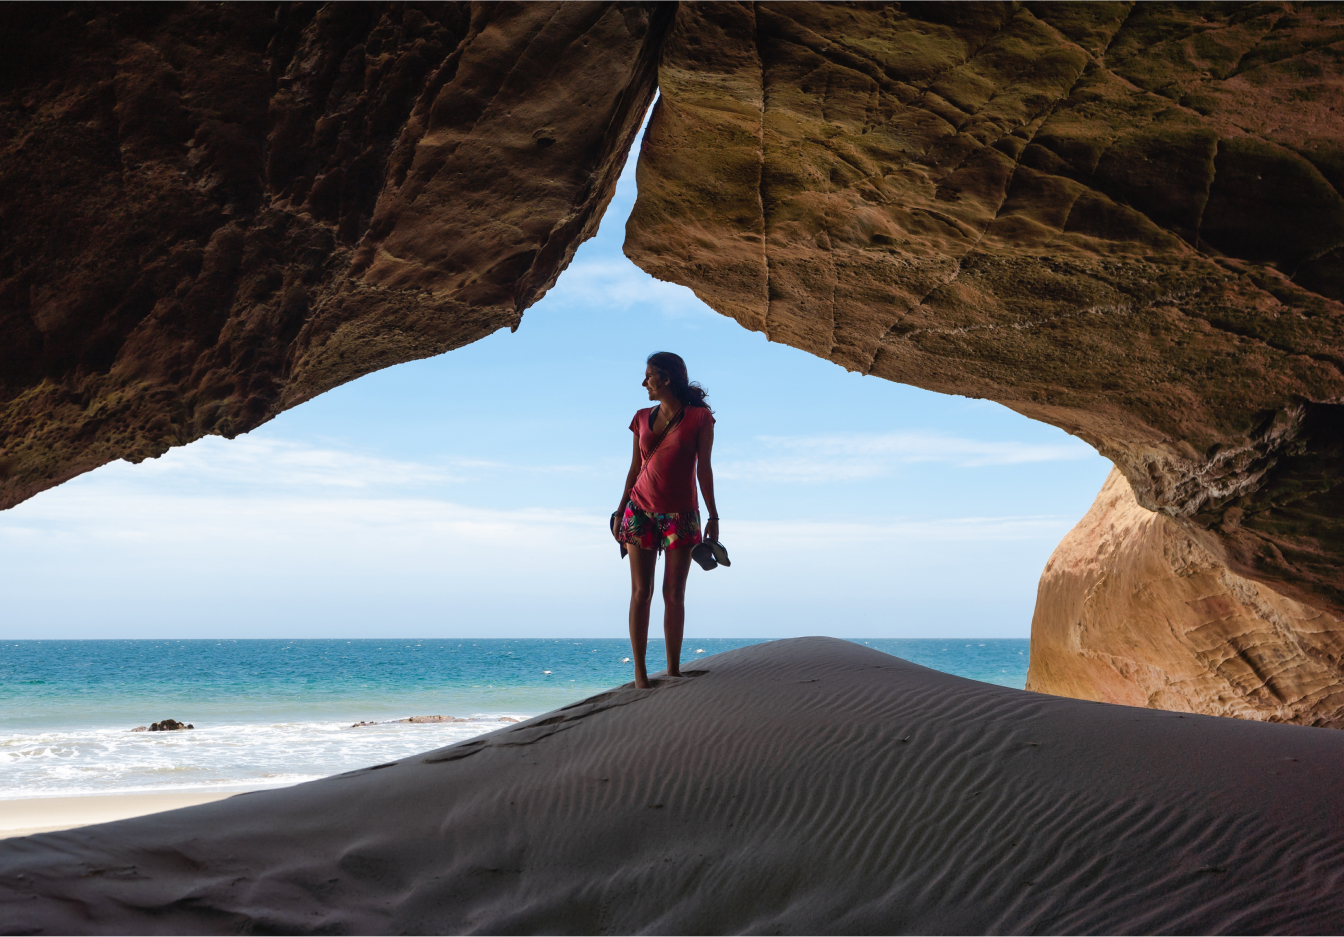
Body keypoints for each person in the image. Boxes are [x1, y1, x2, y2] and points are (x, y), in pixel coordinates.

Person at [614, 352, 719, 689]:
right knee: (640, 592)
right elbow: (634, 469)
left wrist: (713, 515)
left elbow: (703, 469)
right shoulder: (641, 418)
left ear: (667, 378)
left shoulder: (700, 418)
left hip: (682, 515)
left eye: (649, 376)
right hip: (639, 511)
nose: (644, 383)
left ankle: (673, 670)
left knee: (674, 594)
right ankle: (641, 675)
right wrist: (619, 511)